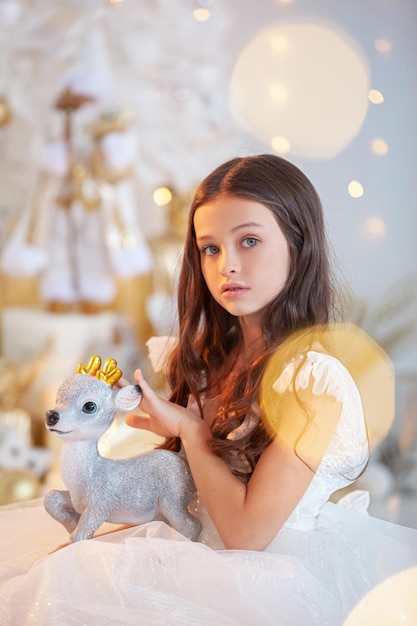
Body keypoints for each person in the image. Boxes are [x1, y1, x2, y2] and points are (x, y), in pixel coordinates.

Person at [0, 154, 416, 625]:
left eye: (250, 241)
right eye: (210, 248)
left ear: (299, 246)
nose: (227, 267)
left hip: (261, 581)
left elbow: (245, 535)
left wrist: (191, 431)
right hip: (184, 546)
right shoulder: (204, 356)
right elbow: (179, 489)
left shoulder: (311, 383)